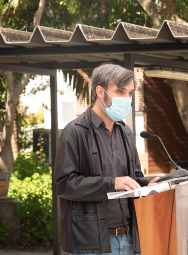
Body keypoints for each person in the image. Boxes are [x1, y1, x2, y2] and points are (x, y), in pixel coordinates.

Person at [54, 63, 159, 255]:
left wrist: (149, 184)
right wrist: (112, 183)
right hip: (92, 244)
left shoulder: (126, 133)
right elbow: (63, 184)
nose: (126, 99)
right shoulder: (74, 132)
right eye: (120, 91)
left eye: (130, 93)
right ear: (100, 92)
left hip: (129, 238)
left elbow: (133, 177)